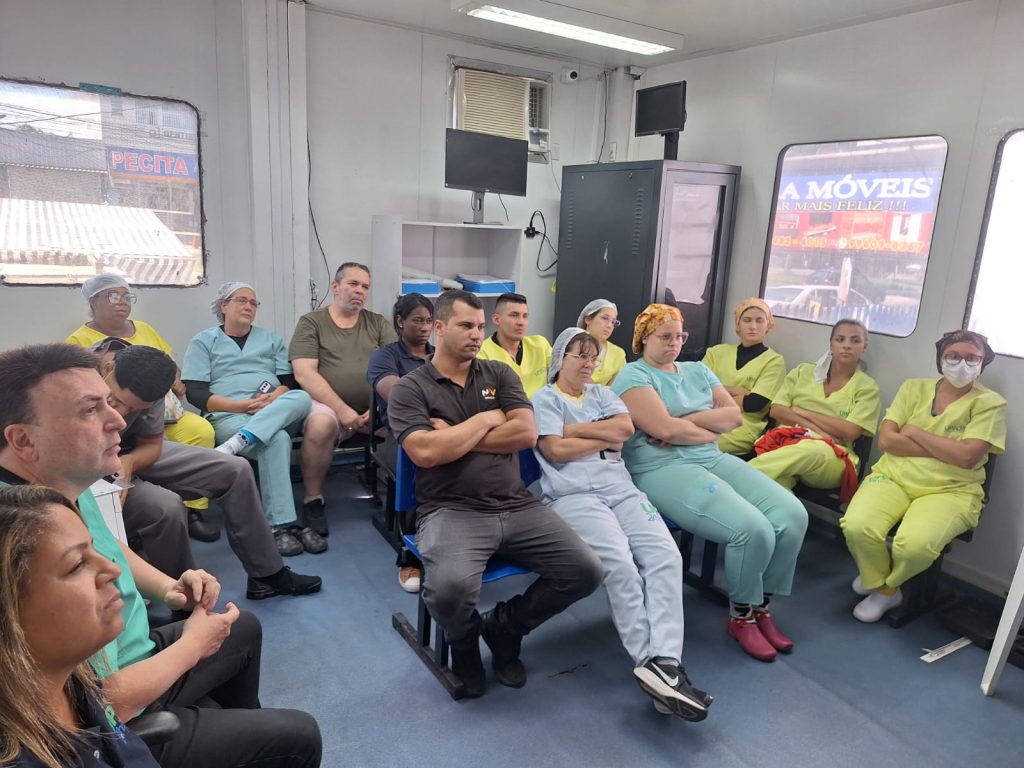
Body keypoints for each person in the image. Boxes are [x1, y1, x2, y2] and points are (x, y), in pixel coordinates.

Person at [0, 344, 322, 768]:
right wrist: (191, 647)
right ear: (24, 440)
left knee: (242, 627)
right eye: (90, 410)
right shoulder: (22, 535)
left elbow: (110, 548)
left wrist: (170, 589)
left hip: (136, 654)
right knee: (299, 736)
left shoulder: (63, 483)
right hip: (116, 719)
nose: (118, 420)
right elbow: (96, 701)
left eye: (109, 403)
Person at [387, 290, 602, 698]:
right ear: (439, 328)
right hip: (451, 510)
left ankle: (504, 627)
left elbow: (525, 433)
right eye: (466, 325)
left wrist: (453, 435)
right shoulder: (410, 389)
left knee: (586, 571)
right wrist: (487, 419)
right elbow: (425, 452)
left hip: (516, 503)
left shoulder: (499, 375)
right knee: (448, 591)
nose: (476, 334)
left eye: (480, 326)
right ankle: (465, 645)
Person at [611, 304, 808, 663]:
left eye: (679, 336)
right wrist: (697, 426)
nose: (674, 343)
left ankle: (761, 605)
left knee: (793, 515)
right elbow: (664, 430)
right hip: (661, 468)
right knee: (752, 529)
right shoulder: (633, 376)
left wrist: (683, 421)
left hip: (711, 457)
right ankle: (741, 615)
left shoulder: (698, 370)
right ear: (643, 339)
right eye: (665, 336)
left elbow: (734, 417)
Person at [533, 327, 711, 721]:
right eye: (579, 355)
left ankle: (666, 661)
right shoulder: (544, 399)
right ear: (560, 358)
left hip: (622, 489)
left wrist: (575, 430)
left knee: (666, 557)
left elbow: (625, 431)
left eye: (592, 357)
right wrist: (603, 436)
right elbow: (555, 450)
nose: (588, 364)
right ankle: (652, 664)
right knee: (620, 565)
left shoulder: (602, 394)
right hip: (574, 495)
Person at [99, 339, 322, 598]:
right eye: (115, 402)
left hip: (131, 452)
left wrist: (129, 462)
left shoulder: (150, 383)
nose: (121, 414)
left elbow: (151, 445)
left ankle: (267, 575)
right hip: (94, 462)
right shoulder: (75, 381)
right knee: (167, 507)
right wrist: (117, 468)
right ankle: (184, 598)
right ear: (108, 368)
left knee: (236, 470)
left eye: (134, 409)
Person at [841, 330, 1006, 622]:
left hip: (951, 490)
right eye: (953, 356)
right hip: (893, 476)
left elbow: (966, 458)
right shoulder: (913, 388)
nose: (962, 364)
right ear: (940, 359)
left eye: (972, 358)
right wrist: (947, 448)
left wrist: (915, 433)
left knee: (914, 546)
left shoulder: (990, 403)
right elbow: (887, 442)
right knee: (856, 525)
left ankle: (885, 587)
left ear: (983, 362)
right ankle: (881, 584)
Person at [0, 484, 162, 768]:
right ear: (9, 612)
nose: (113, 570)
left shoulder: (74, 682)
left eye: (94, 549)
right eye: (77, 565)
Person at [66, 273, 219, 543]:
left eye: (127, 296)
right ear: (93, 302)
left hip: (163, 409)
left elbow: (169, 365)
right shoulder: (78, 341)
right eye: (113, 296)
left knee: (201, 430)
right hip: (122, 419)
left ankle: (193, 510)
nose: (122, 301)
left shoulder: (145, 329)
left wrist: (174, 379)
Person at [182, 283, 325, 556]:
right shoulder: (204, 341)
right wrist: (241, 406)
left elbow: (287, 381)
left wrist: (275, 397)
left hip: (273, 408)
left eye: (253, 303)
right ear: (224, 305)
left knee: (302, 397)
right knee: (277, 439)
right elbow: (196, 393)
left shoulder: (270, 339)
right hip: (229, 415)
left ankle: (241, 441)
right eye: (242, 300)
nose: (249, 306)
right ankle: (280, 526)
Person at [289, 262, 397, 534]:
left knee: (418, 422)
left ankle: (411, 502)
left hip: (375, 408)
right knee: (320, 425)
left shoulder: (377, 323)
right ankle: (313, 499)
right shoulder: (311, 323)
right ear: (335, 287)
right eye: (353, 284)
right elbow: (304, 374)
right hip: (328, 407)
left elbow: (396, 367)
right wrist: (343, 410)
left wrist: (378, 408)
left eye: (365, 286)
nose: (360, 291)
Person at [748, 318, 881, 495]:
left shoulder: (867, 388)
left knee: (811, 449)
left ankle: (738, 476)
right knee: (775, 486)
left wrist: (803, 412)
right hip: (788, 441)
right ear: (831, 344)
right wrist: (820, 431)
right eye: (840, 339)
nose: (847, 345)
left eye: (855, 340)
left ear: (864, 347)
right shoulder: (803, 371)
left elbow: (850, 431)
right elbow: (777, 410)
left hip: (833, 455)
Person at [365, 293, 434, 593]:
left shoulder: (439, 355)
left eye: (429, 321)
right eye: (418, 320)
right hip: (398, 436)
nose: (425, 327)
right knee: (419, 465)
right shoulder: (386, 356)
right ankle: (410, 556)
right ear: (400, 322)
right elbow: (397, 398)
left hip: (440, 429)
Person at [702, 298, 786, 456]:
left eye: (759, 321)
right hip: (702, 415)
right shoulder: (716, 352)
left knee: (697, 442)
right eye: (747, 320)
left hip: (741, 427)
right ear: (737, 324)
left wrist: (714, 391)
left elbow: (754, 403)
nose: (753, 326)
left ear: (768, 325)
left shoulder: (774, 361)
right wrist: (737, 391)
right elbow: (695, 388)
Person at [477, 292, 552, 397]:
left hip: (544, 406)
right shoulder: (482, 354)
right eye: (514, 315)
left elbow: (562, 379)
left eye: (525, 316)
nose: (521, 322)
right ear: (496, 319)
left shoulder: (540, 345)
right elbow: (487, 397)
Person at [577, 299, 627, 385]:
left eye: (613, 322)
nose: (609, 325)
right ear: (588, 319)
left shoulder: (618, 354)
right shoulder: (571, 346)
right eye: (605, 318)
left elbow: (617, 388)